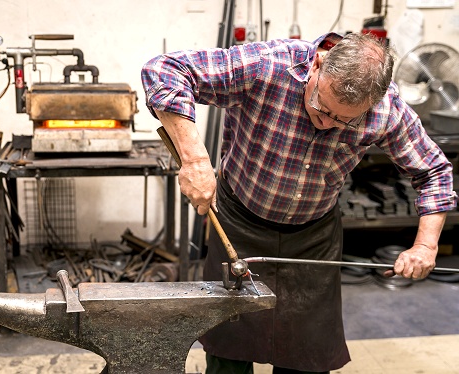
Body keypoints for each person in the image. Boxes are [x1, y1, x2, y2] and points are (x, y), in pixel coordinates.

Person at [141, 32, 457, 373]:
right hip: (239, 225)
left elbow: (434, 172)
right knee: (228, 348)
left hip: (313, 240)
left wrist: (425, 245)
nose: (325, 123)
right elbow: (163, 70)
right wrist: (195, 160)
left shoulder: (386, 109)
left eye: (343, 120)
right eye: (321, 106)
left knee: (307, 357)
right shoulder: (268, 65)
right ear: (318, 64)